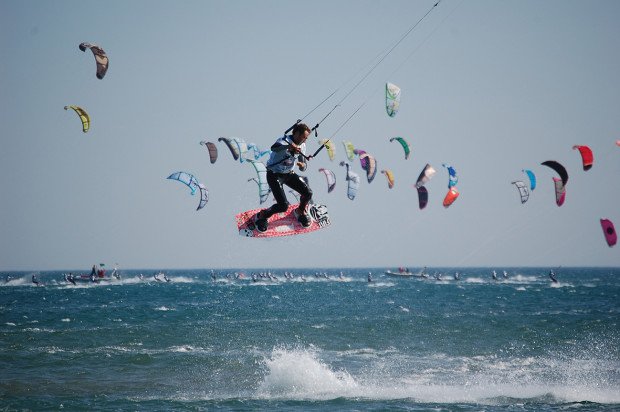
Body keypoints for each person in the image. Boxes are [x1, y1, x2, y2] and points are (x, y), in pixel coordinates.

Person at [254, 123, 313, 232]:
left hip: (289, 174)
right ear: (296, 133)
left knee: (308, 193)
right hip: (274, 175)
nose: (304, 140)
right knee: (283, 206)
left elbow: (303, 166)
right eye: (303, 137)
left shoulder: (302, 145)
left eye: (306, 138)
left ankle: (300, 211)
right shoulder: (283, 140)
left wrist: (302, 165)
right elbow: (274, 148)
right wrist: (289, 147)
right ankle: (263, 215)